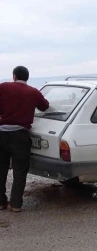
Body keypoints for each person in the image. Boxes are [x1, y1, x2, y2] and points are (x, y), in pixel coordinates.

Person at [0, 66, 49, 212]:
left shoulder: (3, 87)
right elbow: (45, 106)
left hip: (1, 134)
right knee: (20, 171)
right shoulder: (33, 92)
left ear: (14, 76)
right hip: (20, 135)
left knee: (0, 169)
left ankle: (1, 202)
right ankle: (15, 204)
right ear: (27, 78)